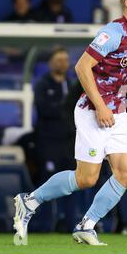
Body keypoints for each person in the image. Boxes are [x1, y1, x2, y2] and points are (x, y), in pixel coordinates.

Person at [13, 0, 127, 245]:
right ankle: (29, 201)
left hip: (118, 111)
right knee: (86, 178)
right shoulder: (112, 32)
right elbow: (82, 66)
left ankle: (86, 225)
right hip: (92, 110)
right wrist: (100, 106)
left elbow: (123, 70)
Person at [33, 47, 75, 186]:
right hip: (49, 142)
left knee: (70, 183)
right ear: (50, 63)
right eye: (59, 60)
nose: (63, 63)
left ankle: (70, 209)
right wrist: (66, 108)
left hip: (69, 142)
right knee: (48, 182)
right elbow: (44, 109)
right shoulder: (42, 84)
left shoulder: (71, 84)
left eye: (65, 60)